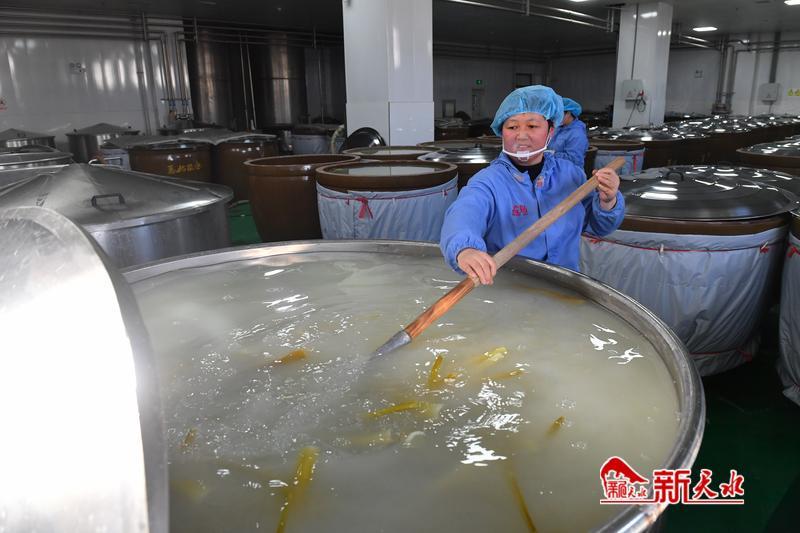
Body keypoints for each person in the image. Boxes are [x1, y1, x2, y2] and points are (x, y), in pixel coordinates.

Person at [439, 85, 624, 285]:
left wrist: (607, 201)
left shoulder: (571, 175)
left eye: (532, 126)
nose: (521, 135)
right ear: (501, 132)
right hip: (511, 291)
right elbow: (464, 213)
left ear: (550, 131)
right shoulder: (488, 181)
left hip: (565, 288)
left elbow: (599, 227)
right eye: (512, 127)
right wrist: (465, 249)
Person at [549, 97, 590, 168]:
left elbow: (574, 159)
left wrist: (550, 154)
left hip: (569, 172)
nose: (555, 117)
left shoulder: (577, 133)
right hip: (555, 168)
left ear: (568, 113)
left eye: (558, 114)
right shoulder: (559, 128)